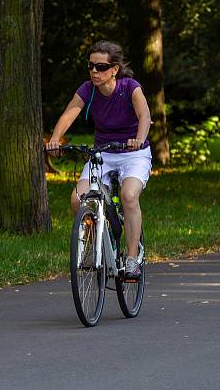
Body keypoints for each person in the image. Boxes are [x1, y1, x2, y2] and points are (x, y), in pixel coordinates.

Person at [46, 40, 152, 279]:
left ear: (114, 69)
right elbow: (70, 112)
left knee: (128, 196)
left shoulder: (130, 87)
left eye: (101, 67)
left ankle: (133, 257)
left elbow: (144, 115)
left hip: (133, 153)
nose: (95, 71)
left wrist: (139, 138)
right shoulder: (88, 90)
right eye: (91, 66)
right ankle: (96, 247)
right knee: (77, 199)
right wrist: (55, 138)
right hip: (102, 152)